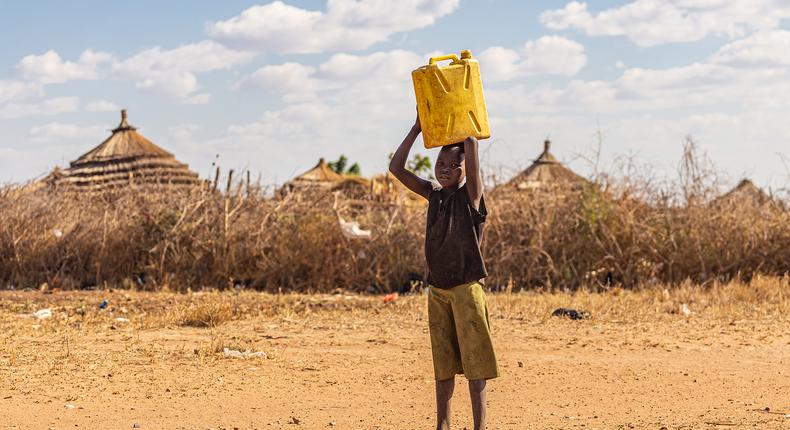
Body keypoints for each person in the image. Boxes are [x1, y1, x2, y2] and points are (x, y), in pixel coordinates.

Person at [388, 113, 499, 430]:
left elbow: (472, 150)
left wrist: (467, 129)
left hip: (467, 291)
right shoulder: (433, 194)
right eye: (441, 165)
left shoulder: (471, 197)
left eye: (454, 166)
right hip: (437, 291)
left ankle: (480, 426)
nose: (446, 170)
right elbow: (396, 169)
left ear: (466, 170)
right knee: (444, 365)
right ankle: (443, 425)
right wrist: (415, 129)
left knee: (476, 365)